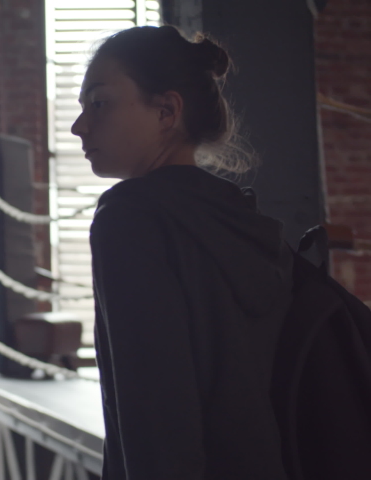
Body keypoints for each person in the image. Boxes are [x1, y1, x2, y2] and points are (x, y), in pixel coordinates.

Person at [71, 26, 294, 479]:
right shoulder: (242, 217)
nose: (80, 126)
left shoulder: (130, 218)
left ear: (166, 111)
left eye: (99, 102)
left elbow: (155, 413)